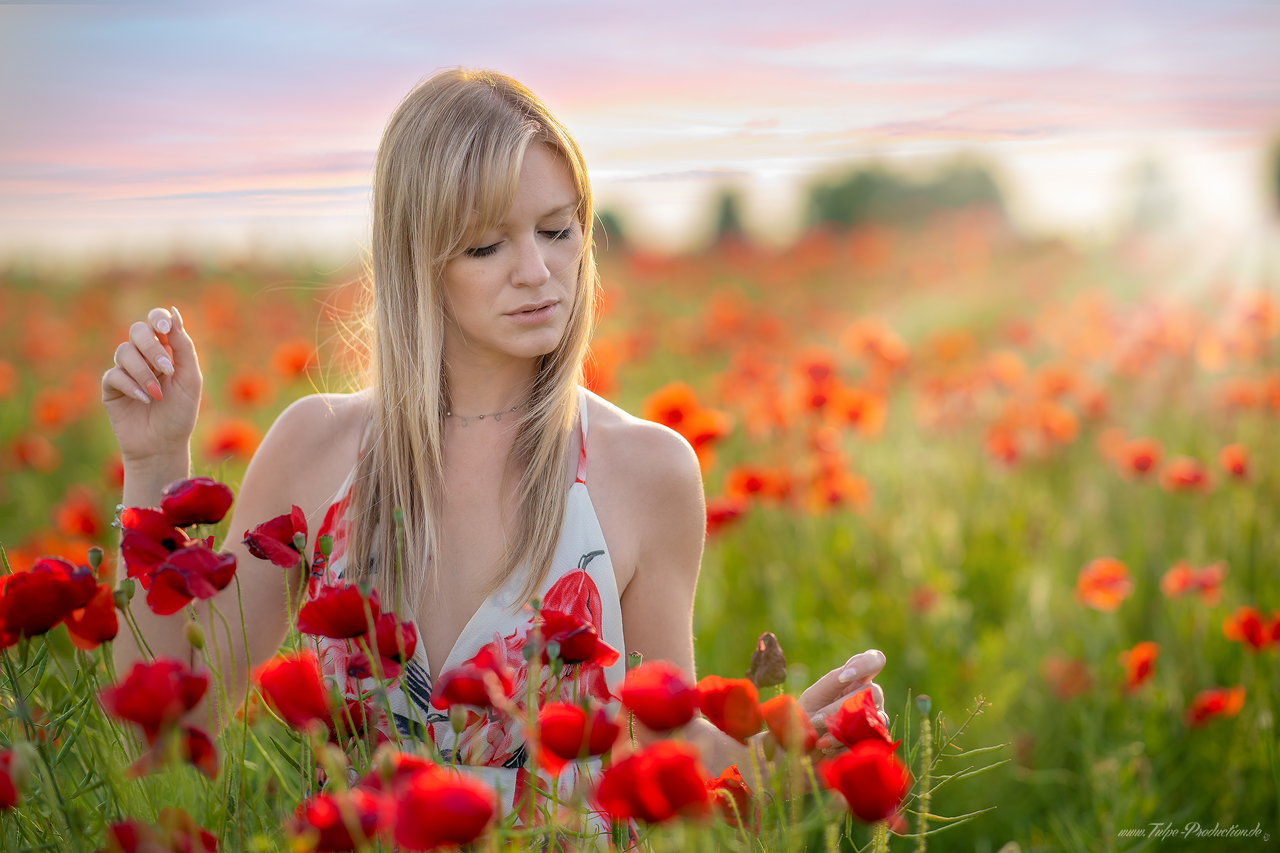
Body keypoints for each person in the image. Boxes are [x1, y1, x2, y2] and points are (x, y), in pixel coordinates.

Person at [101, 67, 887, 812]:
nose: (538, 271)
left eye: (557, 230)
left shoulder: (644, 468)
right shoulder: (320, 448)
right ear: (419, 258)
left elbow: (662, 743)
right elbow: (174, 722)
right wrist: (154, 461)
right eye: (487, 246)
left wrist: (773, 756)